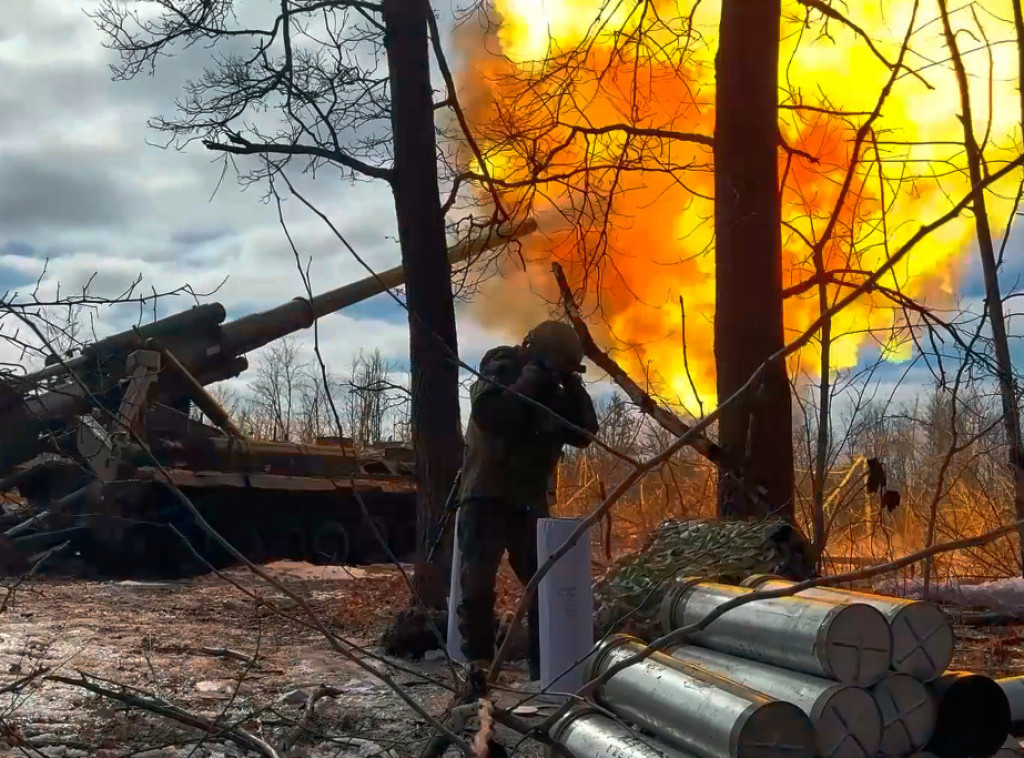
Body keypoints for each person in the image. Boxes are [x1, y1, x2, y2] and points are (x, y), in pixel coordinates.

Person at [455, 320, 599, 680]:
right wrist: (534, 376)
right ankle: (478, 666)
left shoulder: (555, 390)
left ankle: (543, 665)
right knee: (477, 580)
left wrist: (573, 385)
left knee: (542, 585)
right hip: (486, 493)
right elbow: (491, 416)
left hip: (527, 500)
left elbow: (584, 434)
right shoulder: (503, 366)